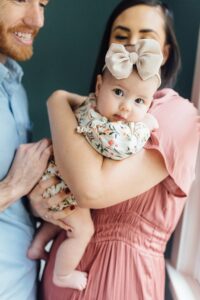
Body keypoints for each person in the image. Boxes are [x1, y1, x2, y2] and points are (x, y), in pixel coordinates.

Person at [29, 0, 199, 299]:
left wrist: (58, 102)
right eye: (121, 36)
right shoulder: (99, 112)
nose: (132, 46)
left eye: (146, 37)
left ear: (165, 52)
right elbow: (62, 184)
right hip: (61, 275)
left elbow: (90, 190)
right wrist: (39, 204)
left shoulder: (178, 116)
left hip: (122, 280)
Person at [28, 38, 163, 291]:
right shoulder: (101, 125)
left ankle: (38, 245)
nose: (125, 106)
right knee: (82, 230)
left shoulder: (89, 105)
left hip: (59, 178)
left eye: (139, 102)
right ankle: (63, 274)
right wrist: (144, 126)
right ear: (99, 86)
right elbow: (120, 146)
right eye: (119, 92)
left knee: (65, 219)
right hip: (63, 183)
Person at [0, 1, 63, 299]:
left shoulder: (15, 87)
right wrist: (13, 187)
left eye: (42, 4)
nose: (37, 19)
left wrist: (34, 201)